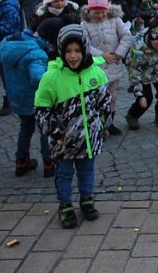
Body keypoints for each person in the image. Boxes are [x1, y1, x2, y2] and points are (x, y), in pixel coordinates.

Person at [35, 24, 111, 229]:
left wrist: (104, 124)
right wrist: (54, 132)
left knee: (87, 171)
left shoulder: (96, 73)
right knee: (64, 173)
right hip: (63, 139)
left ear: (85, 49)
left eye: (77, 50)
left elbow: (104, 103)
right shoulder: (52, 77)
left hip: (89, 138)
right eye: (68, 51)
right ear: (61, 51)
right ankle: (65, 204)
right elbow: (42, 108)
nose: (73, 56)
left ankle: (87, 199)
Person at [0, 26, 54, 177]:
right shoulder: (35, 54)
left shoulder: (8, 44)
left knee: (25, 128)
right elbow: (37, 77)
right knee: (44, 130)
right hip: (35, 99)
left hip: (17, 98)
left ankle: (21, 160)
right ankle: (49, 162)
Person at [80, 0, 132, 136]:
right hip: (97, 68)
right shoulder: (85, 25)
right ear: (90, 11)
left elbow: (126, 36)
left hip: (114, 65)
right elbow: (85, 45)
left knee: (113, 96)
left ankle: (109, 123)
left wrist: (118, 54)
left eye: (103, 12)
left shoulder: (115, 19)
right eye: (97, 13)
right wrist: (101, 55)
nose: (101, 16)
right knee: (97, 98)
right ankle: (98, 124)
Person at [125, 17, 158, 130]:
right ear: (151, 38)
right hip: (141, 74)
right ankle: (132, 115)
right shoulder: (138, 48)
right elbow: (133, 71)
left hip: (157, 71)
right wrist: (139, 94)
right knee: (147, 98)